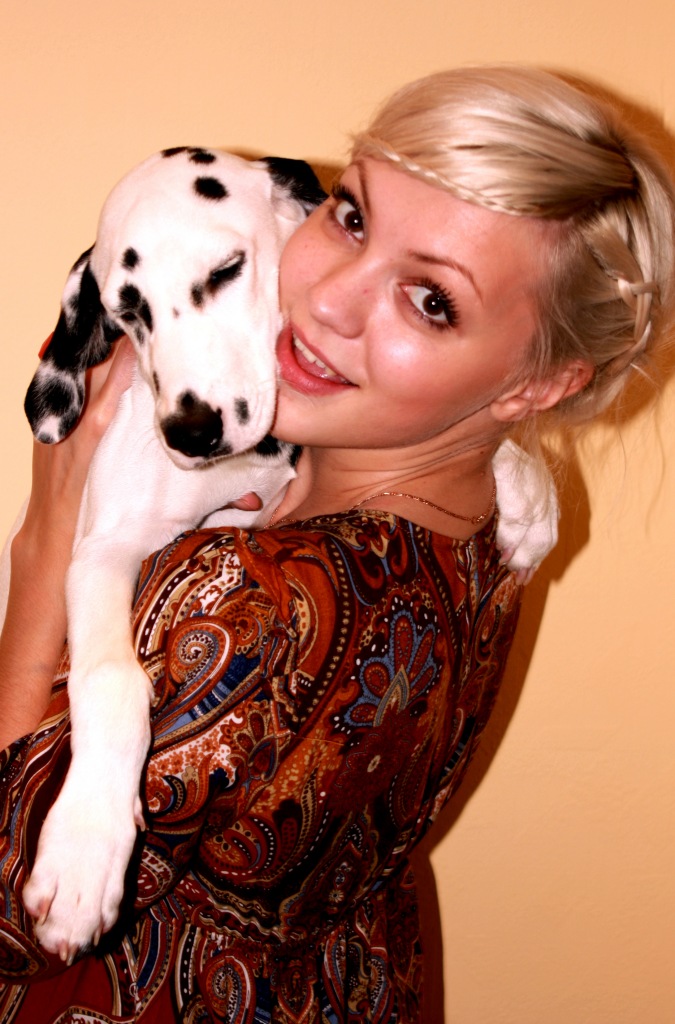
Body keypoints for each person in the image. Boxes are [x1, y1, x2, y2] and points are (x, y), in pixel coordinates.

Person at [0, 64, 673, 1023]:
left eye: (430, 300)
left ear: (537, 383)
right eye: (352, 217)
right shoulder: (489, 522)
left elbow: (9, 906)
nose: (325, 300)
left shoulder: (248, 603)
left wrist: (40, 552)